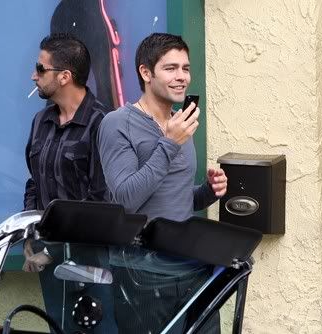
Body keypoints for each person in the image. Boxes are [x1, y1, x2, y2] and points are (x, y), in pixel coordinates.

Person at [97, 33, 227, 333]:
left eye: (185, 68)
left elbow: (170, 200)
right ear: (146, 72)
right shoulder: (117, 124)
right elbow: (127, 200)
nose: (182, 77)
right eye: (171, 68)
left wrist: (208, 192)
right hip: (143, 272)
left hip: (192, 267)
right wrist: (168, 144)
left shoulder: (180, 122)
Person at [22, 33, 115, 333]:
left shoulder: (102, 123)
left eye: (40, 68)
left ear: (64, 76)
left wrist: (50, 251)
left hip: (92, 264)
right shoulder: (41, 121)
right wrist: (29, 236)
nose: (33, 75)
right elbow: (34, 182)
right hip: (49, 263)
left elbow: (100, 201)